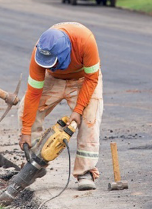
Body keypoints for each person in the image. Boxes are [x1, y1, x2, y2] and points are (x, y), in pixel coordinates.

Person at [18, 22, 103, 191]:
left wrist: (78, 110)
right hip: (54, 79)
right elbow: (33, 94)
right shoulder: (39, 51)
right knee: (25, 110)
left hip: (83, 80)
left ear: (65, 53)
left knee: (89, 118)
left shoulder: (86, 41)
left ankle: (85, 172)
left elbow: (91, 78)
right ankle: (35, 163)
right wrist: (26, 131)